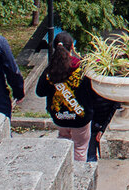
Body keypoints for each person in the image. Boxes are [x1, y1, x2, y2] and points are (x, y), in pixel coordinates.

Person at [35, 32, 97, 161]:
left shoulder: (50, 70)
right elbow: (93, 92)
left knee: (63, 144)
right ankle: (77, 177)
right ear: (72, 47)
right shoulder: (82, 68)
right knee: (80, 148)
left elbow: (40, 92)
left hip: (59, 117)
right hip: (80, 118)